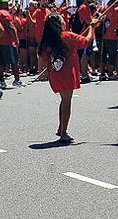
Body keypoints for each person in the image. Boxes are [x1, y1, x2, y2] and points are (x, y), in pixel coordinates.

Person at [38, 10, 101, 144]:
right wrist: (91, 28)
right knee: (67, 103)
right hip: (66, 74)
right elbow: (86, 42)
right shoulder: (66, 36)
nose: (63, 21)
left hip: (55, 74)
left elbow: (43, 58)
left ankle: (61, 127)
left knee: (63, 100)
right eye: (61, 20)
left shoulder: (47, 41)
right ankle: (64, 133)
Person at [0, 0, 23, 89]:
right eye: (5, 3)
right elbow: (10, 27)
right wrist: (16, 39)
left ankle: (2, 81)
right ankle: (17, 80)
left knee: (0, 63)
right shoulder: (4, 13)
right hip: (8, 42)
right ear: (0, 4)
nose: (7, 4)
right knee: (14, 62)